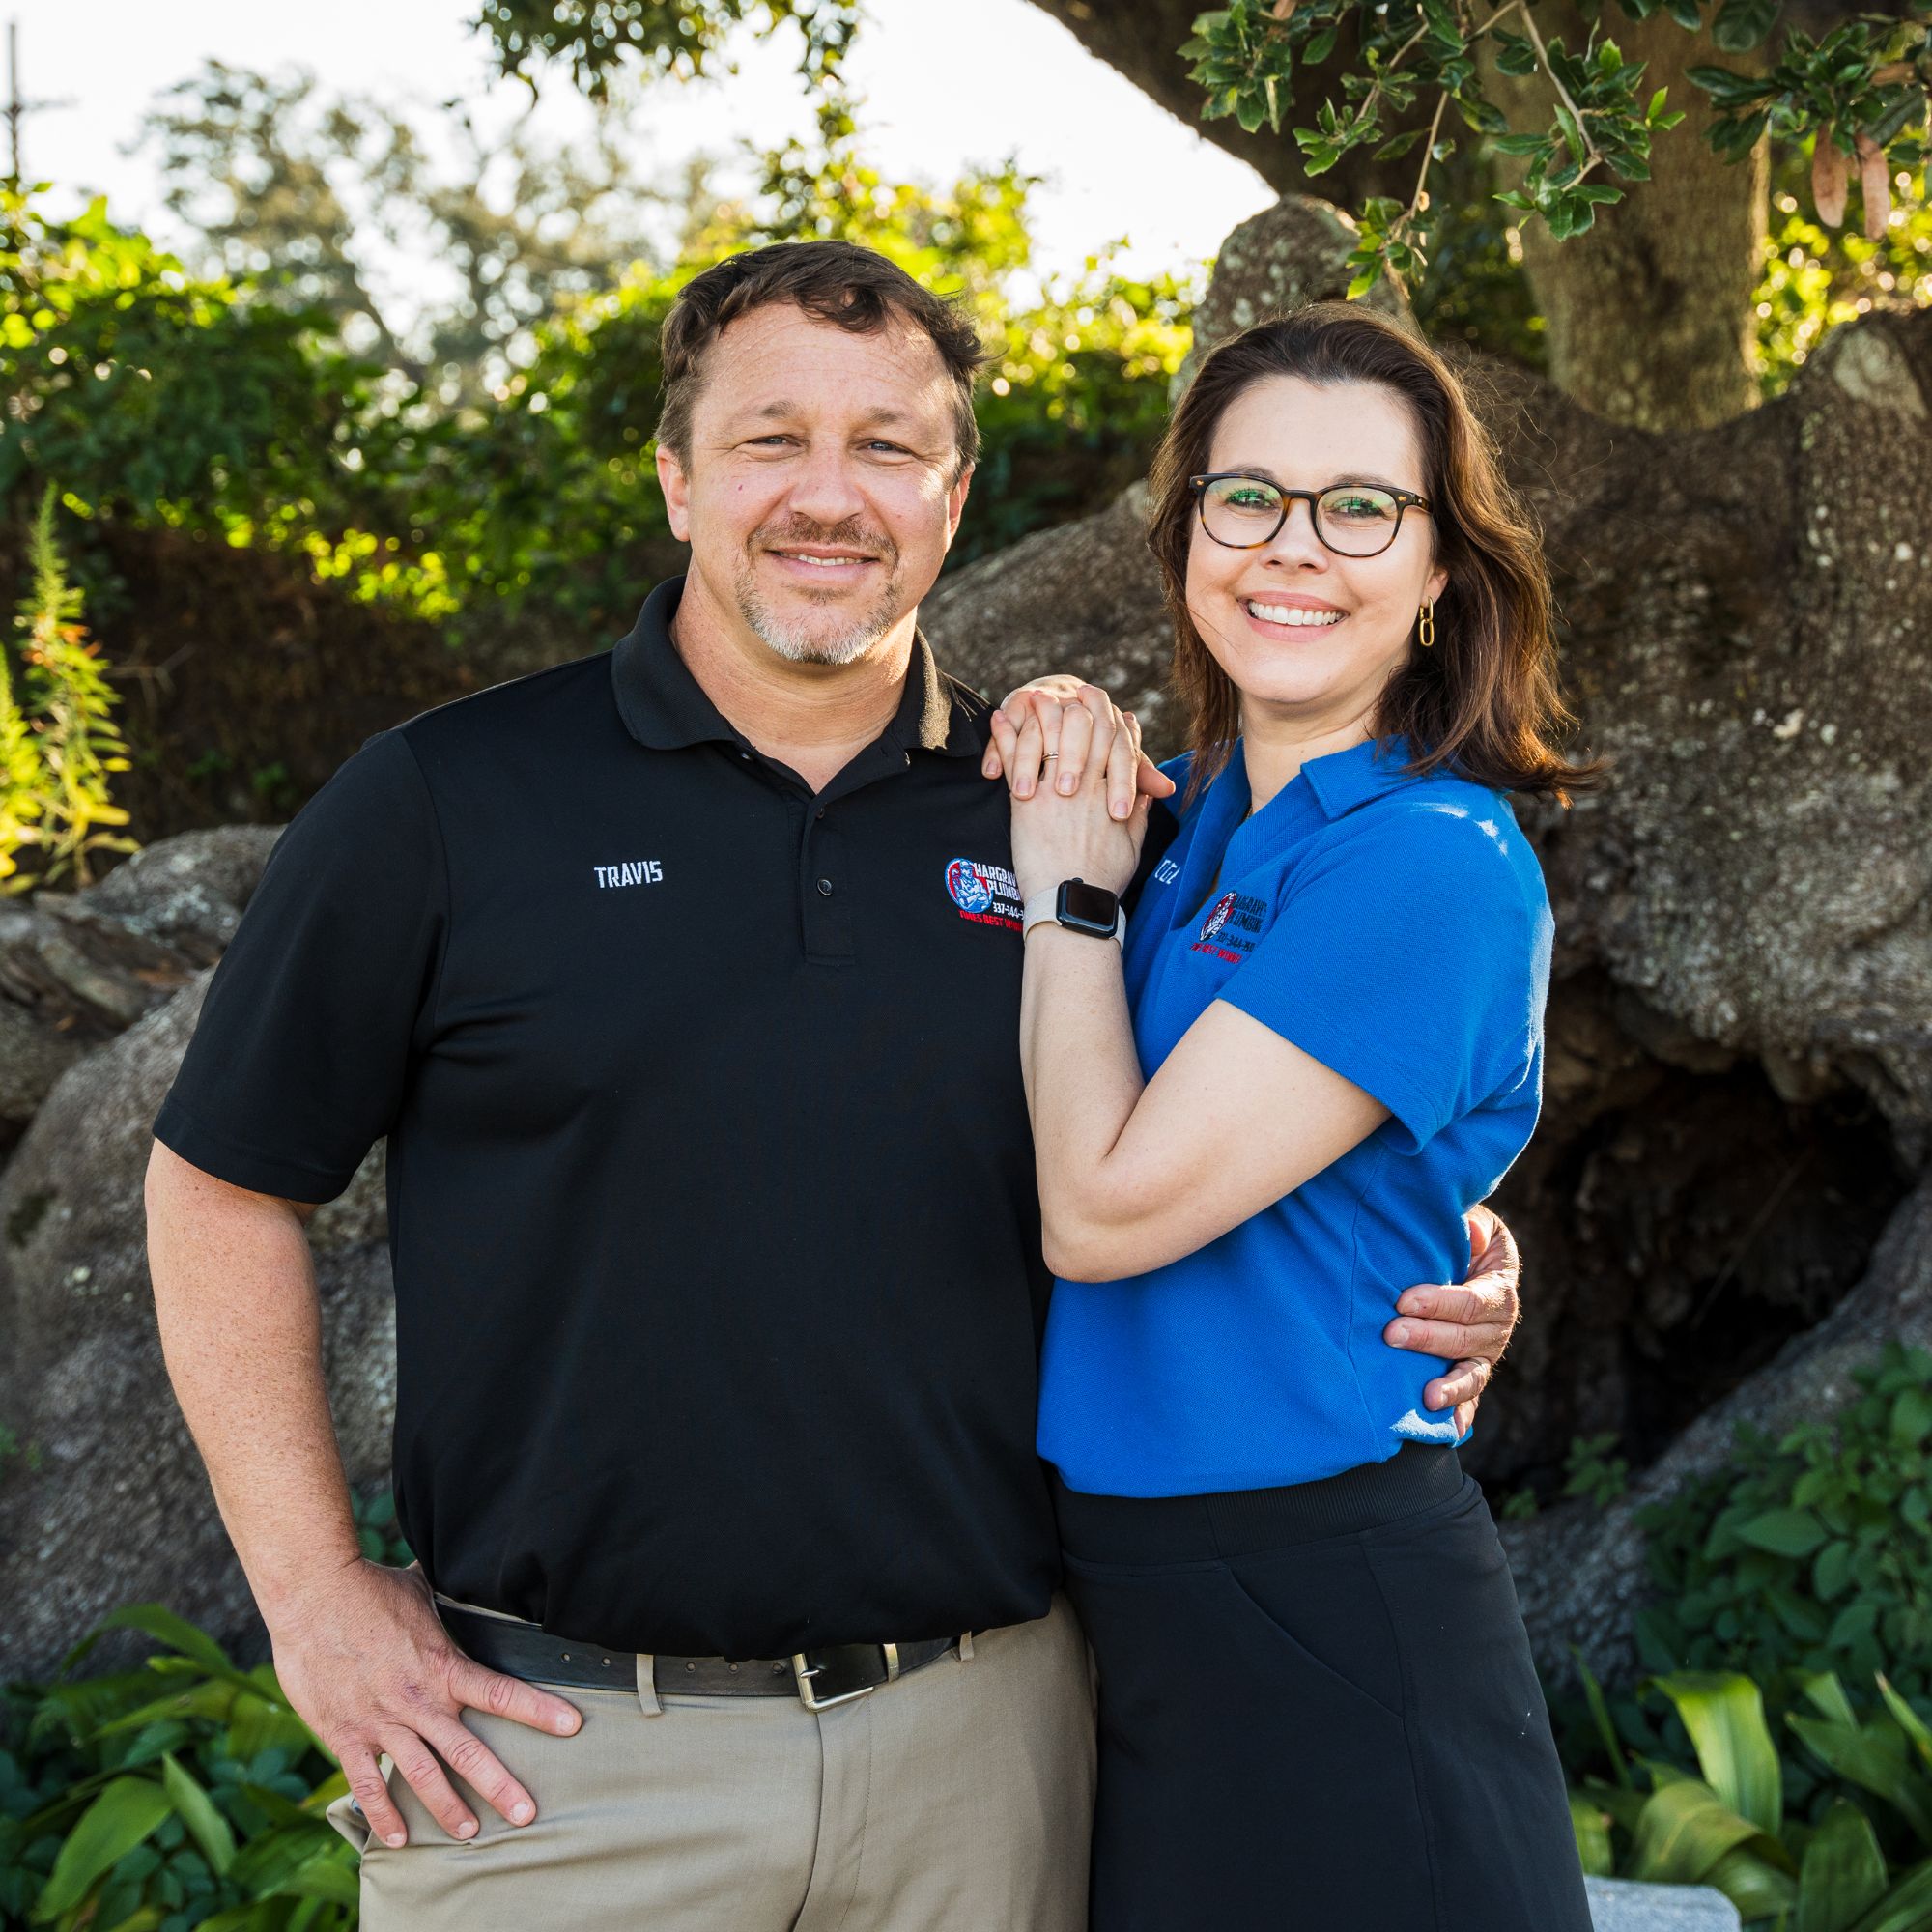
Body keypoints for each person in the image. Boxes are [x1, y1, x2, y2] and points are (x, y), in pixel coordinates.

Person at [144, 243, 1522, 1932]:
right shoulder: (446, 803)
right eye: (768, 440)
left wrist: (1457, 1248)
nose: (827, 495)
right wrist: (308, 1594)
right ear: (675, 479)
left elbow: (1289, 1104)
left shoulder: (1080, 820)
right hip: (562, 1773)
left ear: (954, 499)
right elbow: (218, 1184)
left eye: (886, 446)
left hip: (994, 1760)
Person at [994, 303, 1598, 1930]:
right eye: (1247, 495)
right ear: (1189, 534)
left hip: (1324, 1599)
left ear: (1441, 570)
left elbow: (1102, 1215)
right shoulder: (1186, 821)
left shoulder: (1429, 860)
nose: (1294, 546)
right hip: (1125, 1595)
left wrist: (1068, 900)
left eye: (1362, 509)